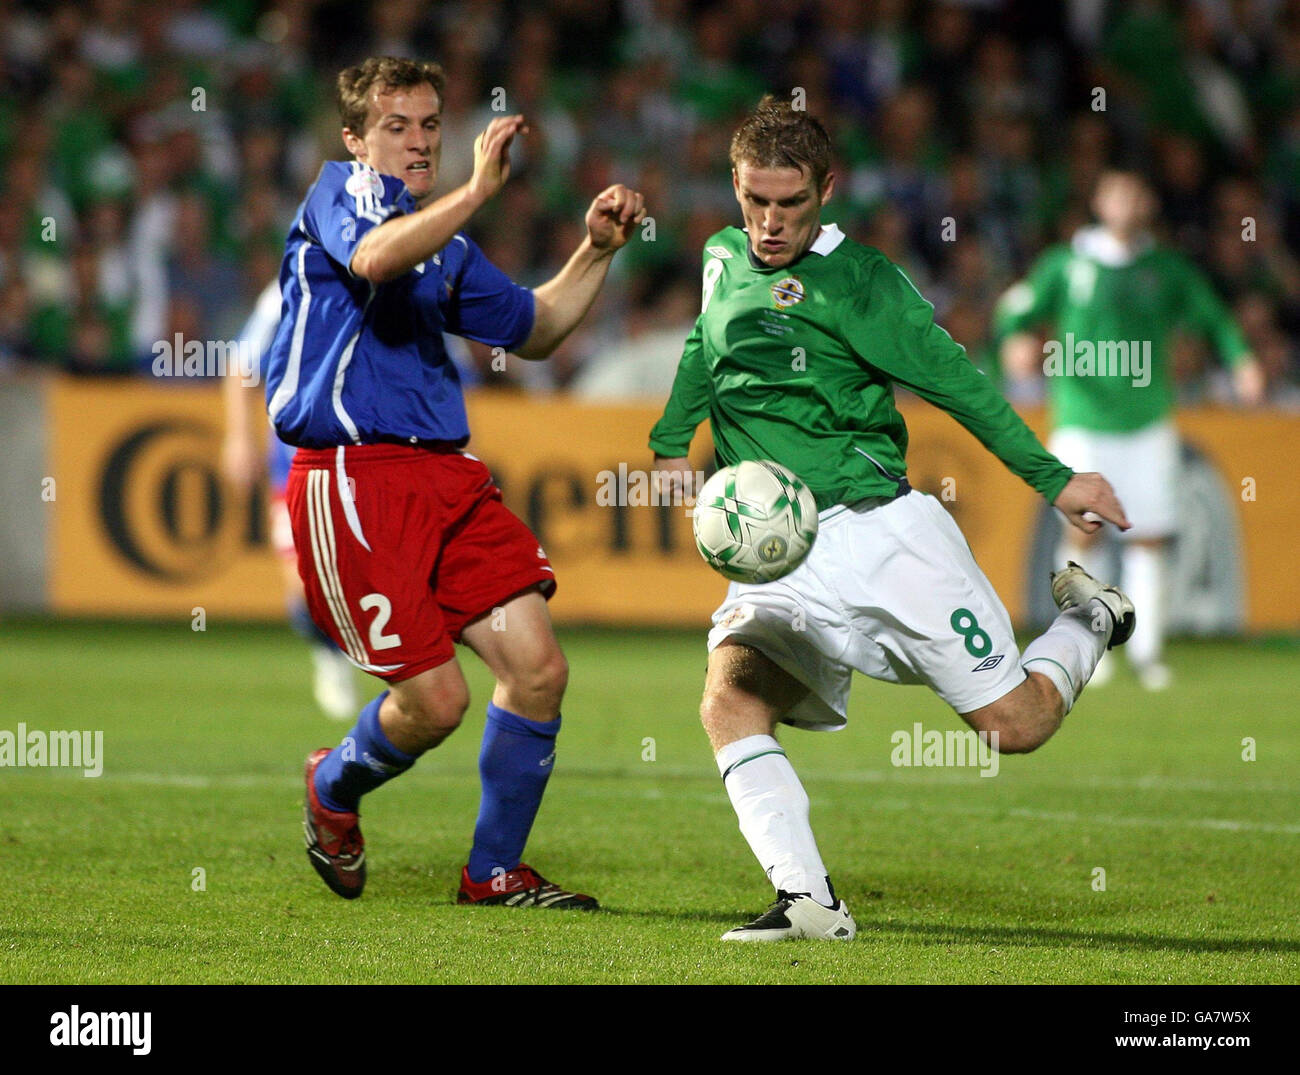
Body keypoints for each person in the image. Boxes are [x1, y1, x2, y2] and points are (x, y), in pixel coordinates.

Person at [649, 96, 1134, 942]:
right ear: (734, 185)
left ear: (826, 191)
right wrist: (665, 440)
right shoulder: (721, 257)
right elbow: (703, 346)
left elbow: (960, 385)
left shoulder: (865, 286)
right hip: (779, 558)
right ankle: (810, 902)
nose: (768, 223)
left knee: (1014, 725)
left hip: (881, 536)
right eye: (754, 200)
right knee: (729, 697)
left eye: (790, 204)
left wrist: (1055, 479)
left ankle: (1089, 617)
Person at [265, 56, 644, 907]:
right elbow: (372, 258)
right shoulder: (341, 195)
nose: (417, 141)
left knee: (538, 666)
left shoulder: (449, 248)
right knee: (436, 701)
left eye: (430, 125)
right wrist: (475, 191)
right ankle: (333, 786)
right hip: (353, 479)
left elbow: (537, 327)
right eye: (396, 127)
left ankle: (494, 870)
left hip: (445, 475)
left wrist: (596, 250)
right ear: (356, 138)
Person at [996, 170, 1265, 690]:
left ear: (1148, 204)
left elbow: (1214, 319)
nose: (1127, 204)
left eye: (1137, 194)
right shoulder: (1065, 264)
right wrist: (1014, 340)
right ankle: (1082, 644)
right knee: (1082, 529)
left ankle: (1147, 650)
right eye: (1117, 193)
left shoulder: (1165, 269)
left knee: (1149, 537)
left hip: (1146, 420)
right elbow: (1017, 309)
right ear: (1099, 201)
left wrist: (1242, 359)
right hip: (1082, 418)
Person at [222, 278, 359, 721]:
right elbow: (242, 364)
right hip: (298, 457)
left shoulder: (397, 274)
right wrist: (239, 439)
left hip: (375, 452)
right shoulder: (289, 286)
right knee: (304, 588)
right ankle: (331, 654)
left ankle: (402, 673)